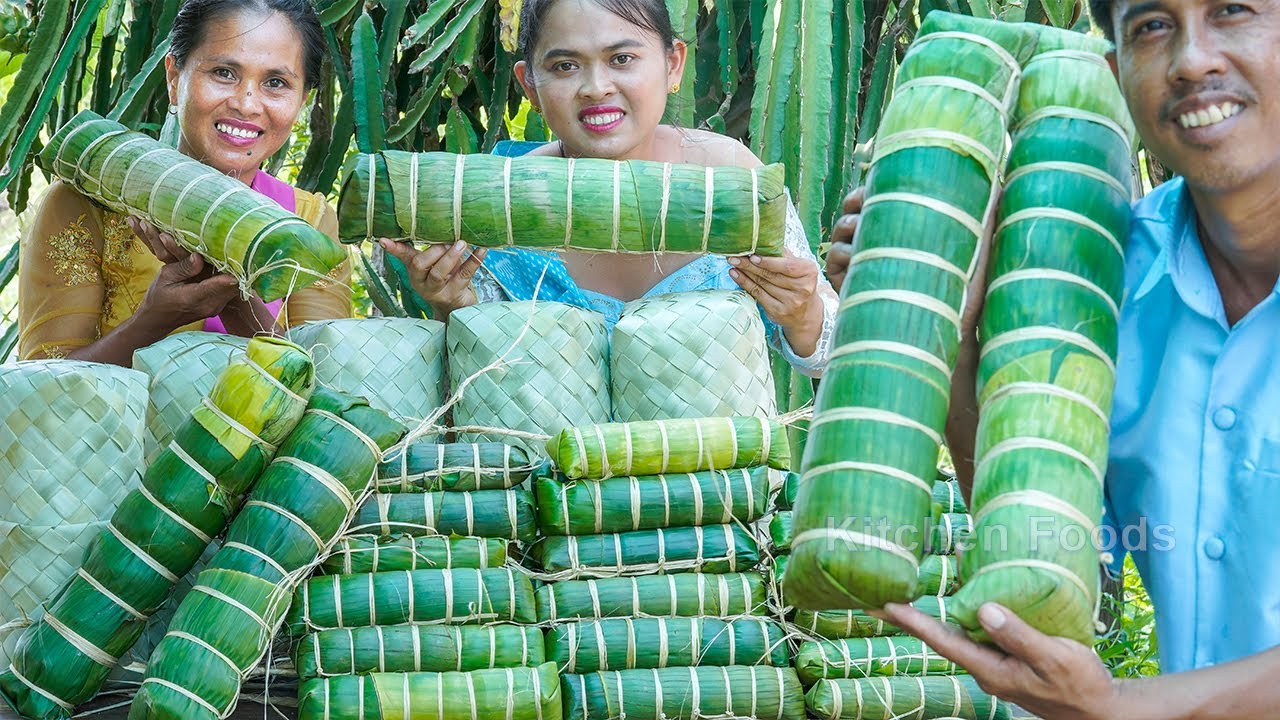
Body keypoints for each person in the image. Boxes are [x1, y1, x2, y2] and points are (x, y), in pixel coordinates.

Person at [826, 0, 1280, 716]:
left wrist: (1128, 706)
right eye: (1152, 27)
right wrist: (956, 327)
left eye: (1233, 11)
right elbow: (1062, 549)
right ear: (1116, 74)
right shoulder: (1097, 272)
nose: (1193, 61)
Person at [380, 0, 837, 376]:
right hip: (552, 483)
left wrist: (801, 314)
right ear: (530, 85)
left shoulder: (732, 178)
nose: (596, 87)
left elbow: (831, 351)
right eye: (564, 66)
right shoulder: (498, 200)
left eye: (622, 59)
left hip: (717, 483)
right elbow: (480, 378)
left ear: (673, 64)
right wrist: (452, 302)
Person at [17, 0, 351, 367]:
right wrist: (154, 320)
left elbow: (324, 391)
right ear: (175, 79)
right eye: (224, 72)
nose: (246, 104)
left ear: (302, 100)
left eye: (276, 83)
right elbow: (44, 391)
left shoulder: (307, 224)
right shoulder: (85, 206)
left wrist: (233, 297)